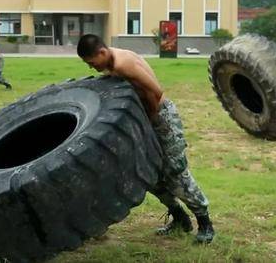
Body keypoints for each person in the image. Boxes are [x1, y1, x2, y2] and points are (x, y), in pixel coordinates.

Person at [76, 34, 214, 244]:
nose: (91, 67)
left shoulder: (123, 64)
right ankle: (179, 218)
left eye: (92, 63)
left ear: (102, 52)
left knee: (176, 172)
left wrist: (149, 120)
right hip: (145, 119)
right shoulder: (111, 61)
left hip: (161, 118)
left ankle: (205, 223)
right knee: (148, 173)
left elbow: (156, 92)